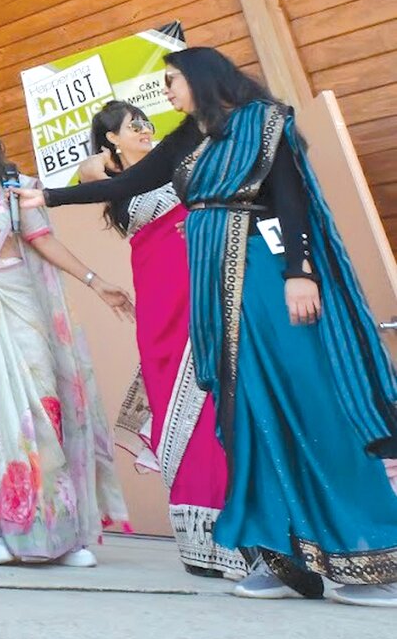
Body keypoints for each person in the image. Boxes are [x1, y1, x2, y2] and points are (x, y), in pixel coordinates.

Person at [20, 46, 397, 606]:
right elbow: (129, 184)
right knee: (246, 413)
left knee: (306, 400)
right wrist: (48, 195)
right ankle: (280, 555)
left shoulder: (265, 123)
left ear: (201, 77)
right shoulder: (187, 137)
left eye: (171, 81)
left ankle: (369, 560)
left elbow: (291, 200)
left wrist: (300, 272)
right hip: (215, 296)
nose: (166, 93)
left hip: (267, 277)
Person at [0, 106, 131, 567]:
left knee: (39, 405)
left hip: (19, 299)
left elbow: (42, 241)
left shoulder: (14, 184)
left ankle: (59, 529)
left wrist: (96, 281)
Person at [80, 101, 244, 578]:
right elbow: (87, 168)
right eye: (134, 126)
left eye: (147, 123)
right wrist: (110, 159)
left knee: (218, 406)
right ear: (112, 138)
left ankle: (237, 532)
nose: (146, 130)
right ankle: (199, 542)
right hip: (161, 302)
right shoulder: (117, 184)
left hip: (203, 291)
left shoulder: (179, 164)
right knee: (179, 409)